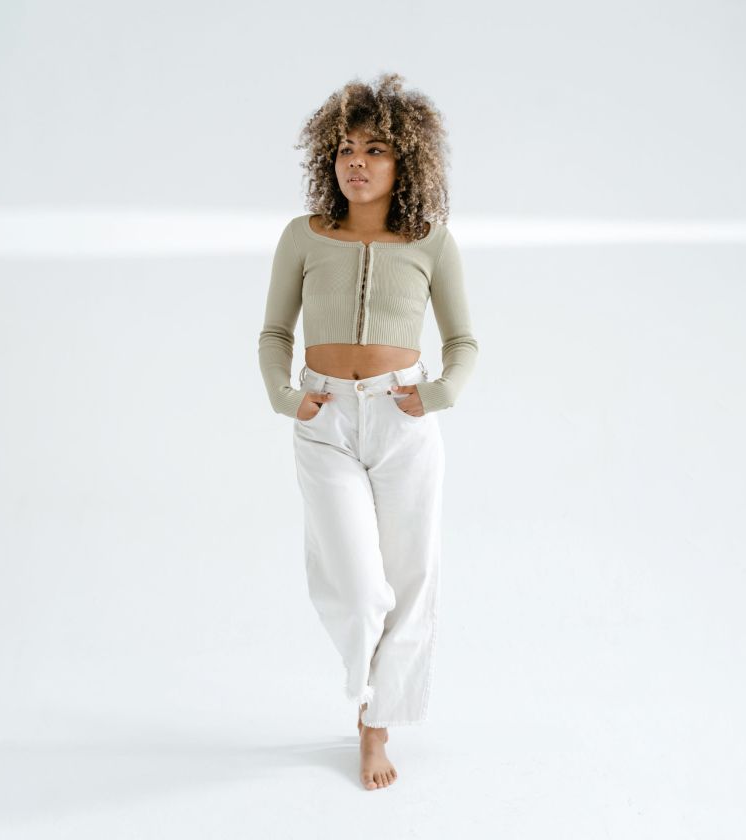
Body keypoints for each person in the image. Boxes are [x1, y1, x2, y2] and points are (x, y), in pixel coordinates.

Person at [257, 72, 479, 791]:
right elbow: (274, 332)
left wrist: (439, 394)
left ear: (404, 160)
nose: (356, 162)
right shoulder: (303, 236)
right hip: (324, 422)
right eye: (346, 149)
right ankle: (365, 690)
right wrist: (286, 398)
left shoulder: (430, 242)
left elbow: (464, 342)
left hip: (401, 420)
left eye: (375, 150)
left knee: (412, 579)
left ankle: (376, 723)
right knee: (358, 589)